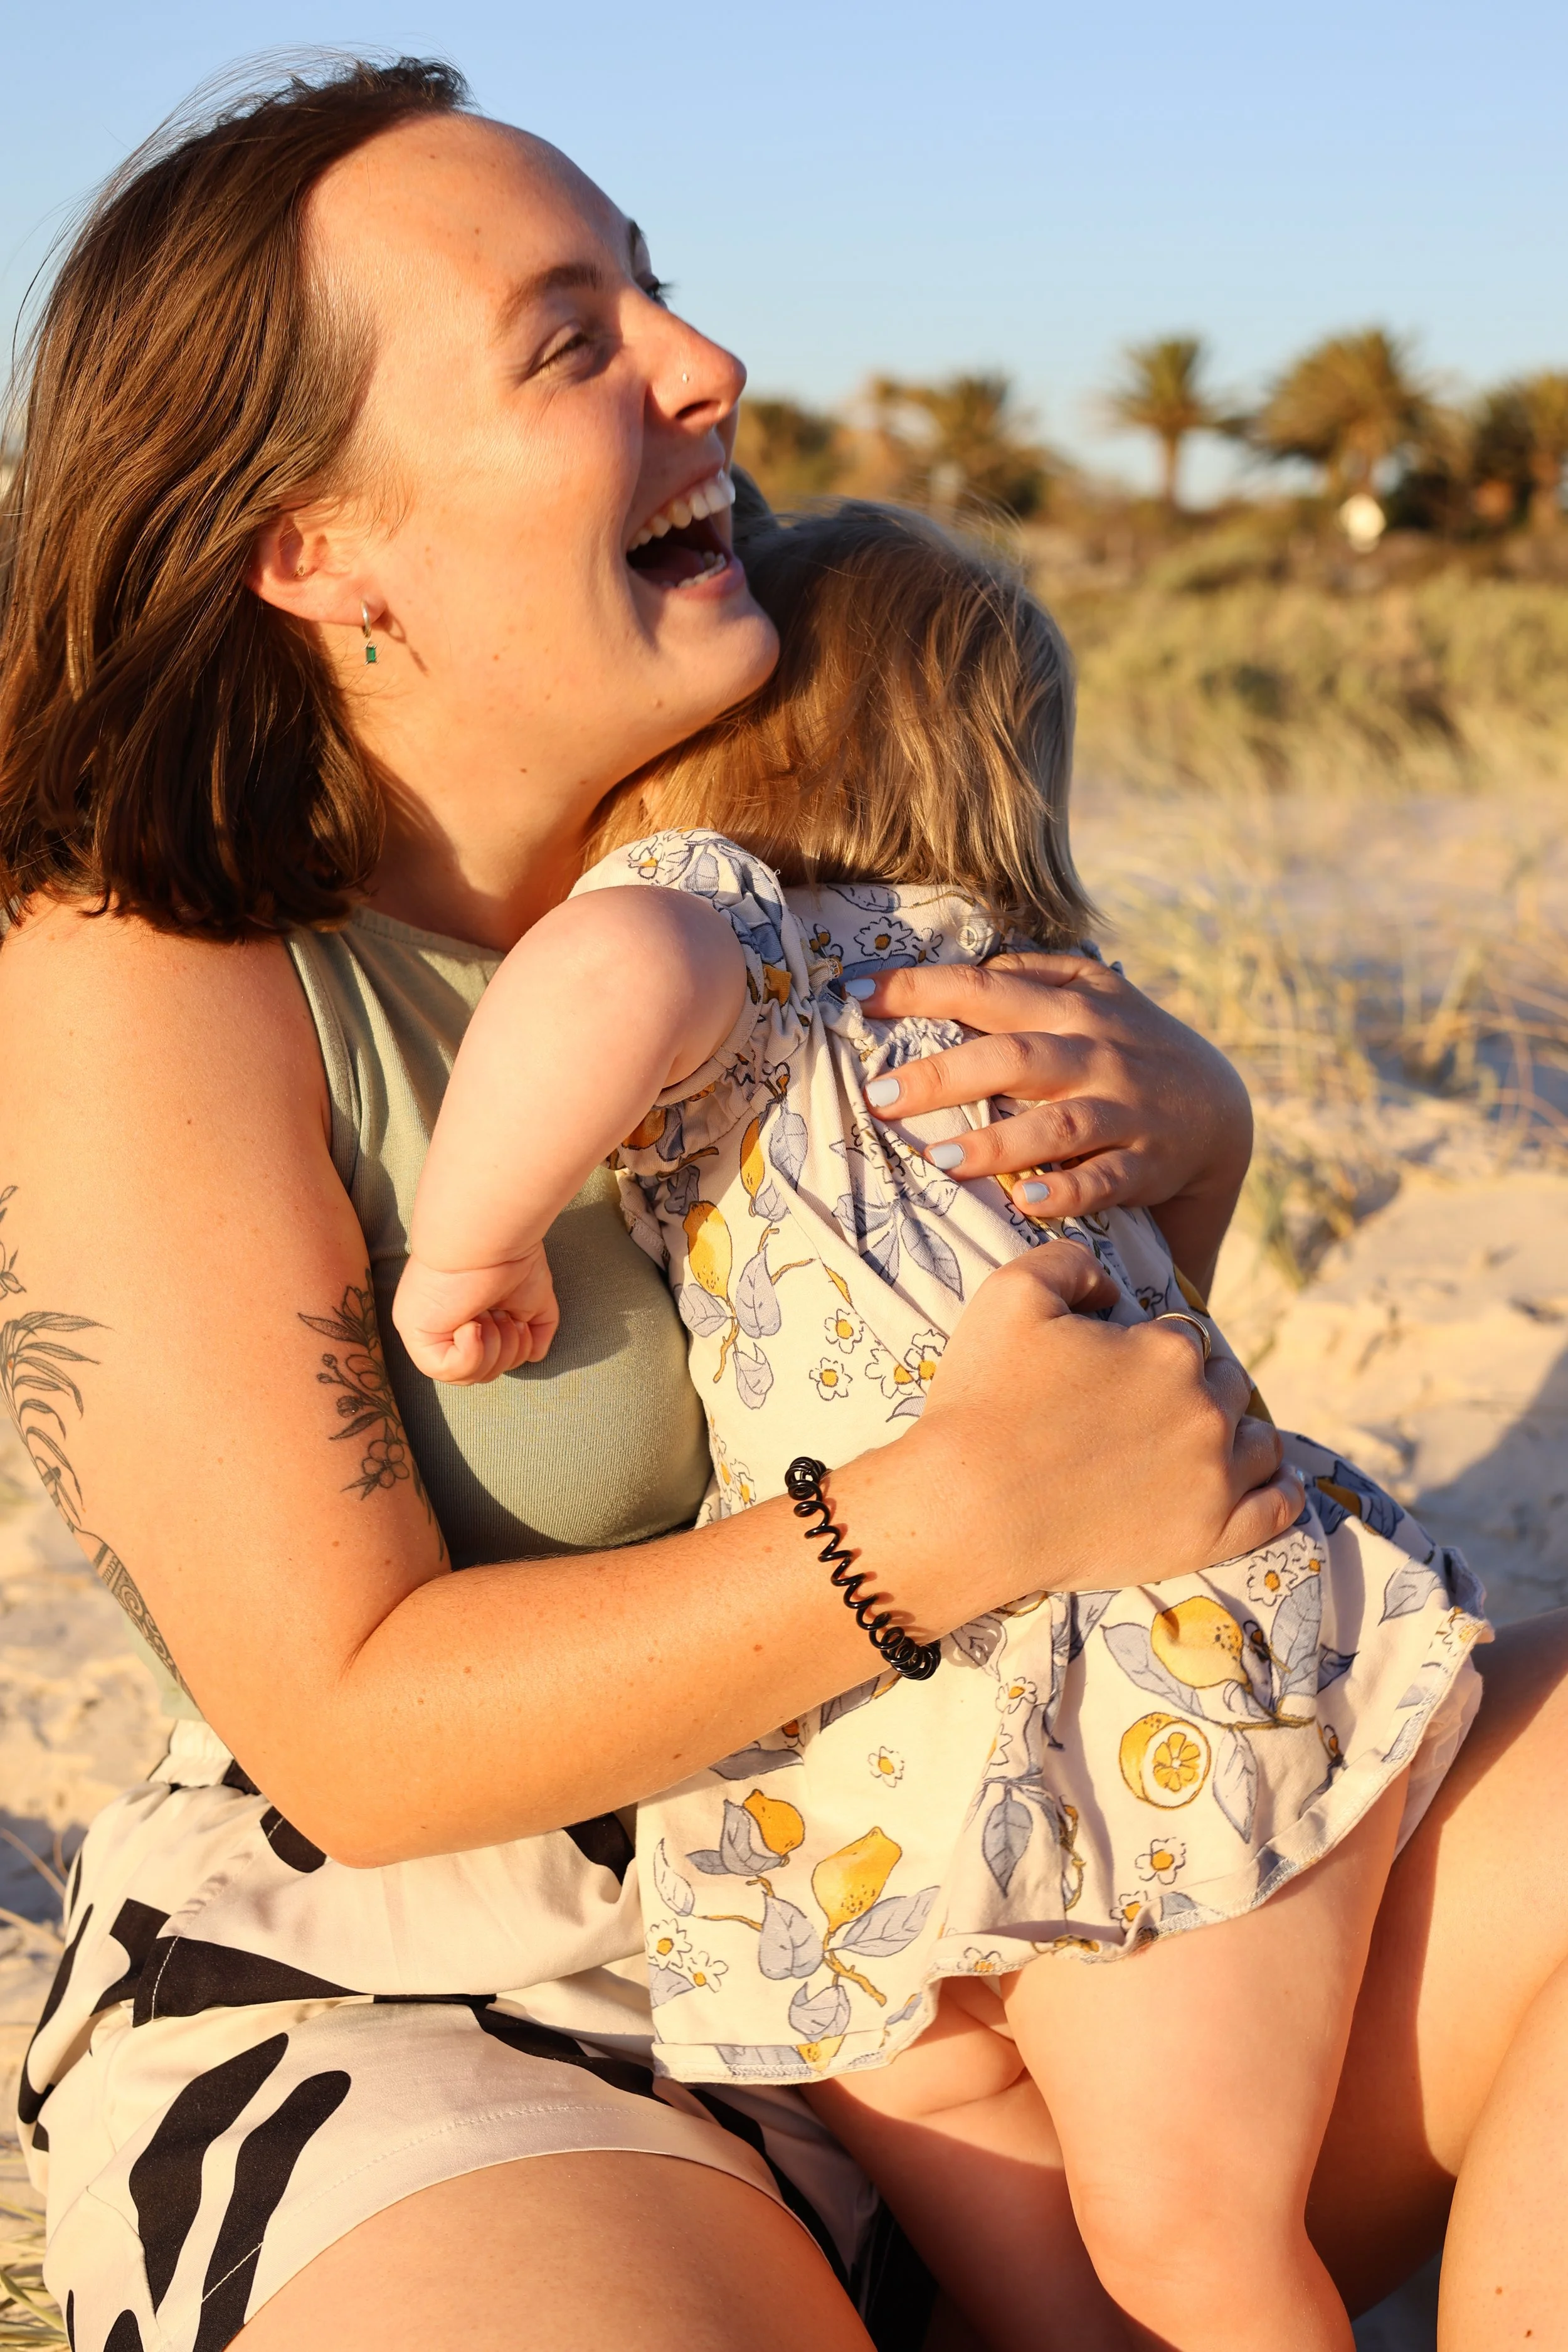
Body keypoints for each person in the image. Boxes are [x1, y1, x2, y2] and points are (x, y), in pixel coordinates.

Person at [0, 54, 1561, 2352]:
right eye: (568, 335)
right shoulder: (156, 968)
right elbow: (352, 1726)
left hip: (993, 1877)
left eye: (657, 287)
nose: (704, 364)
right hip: (472, 1986)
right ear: (310, 544)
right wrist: (946, 1518)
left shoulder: (796, 833)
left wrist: (1185, 1150)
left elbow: (1051, 1432)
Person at [390, 501, 1488, 2352]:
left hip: (1050, 1690)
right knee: (1137, 2260)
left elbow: (598, 979)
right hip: (1067, 1672)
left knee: (1172, 2252)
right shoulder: (1035, 1002)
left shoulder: (717, 915)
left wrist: (474, 1231)